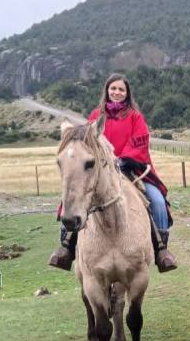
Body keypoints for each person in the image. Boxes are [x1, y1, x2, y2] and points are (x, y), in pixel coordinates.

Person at [48, 73, 177, 273]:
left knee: (157, 200)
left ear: (127, 93)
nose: (117, 92)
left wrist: (124, 159)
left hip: (130, 169)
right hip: (101, 171)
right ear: (107, 91)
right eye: (113, 88)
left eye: (121, 89)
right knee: (74, 198)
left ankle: (162, 250)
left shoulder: (135, 117)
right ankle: (66, 247)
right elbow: (86, 144)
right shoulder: (95, 115)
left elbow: (140, 140)